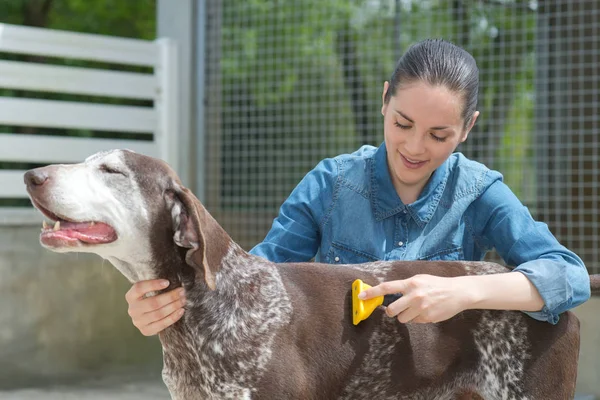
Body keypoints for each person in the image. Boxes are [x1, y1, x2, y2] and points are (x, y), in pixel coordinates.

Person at [125, 39, 591, 336]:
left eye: (439, 135)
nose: (413, 147)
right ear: (384, 99)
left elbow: (568, 276)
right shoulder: (330, 184)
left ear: (467, 128)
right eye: (403, 123)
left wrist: (464, 292)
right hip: (342, 379)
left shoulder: (480, 192)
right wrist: (167, 304)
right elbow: (251, 282)